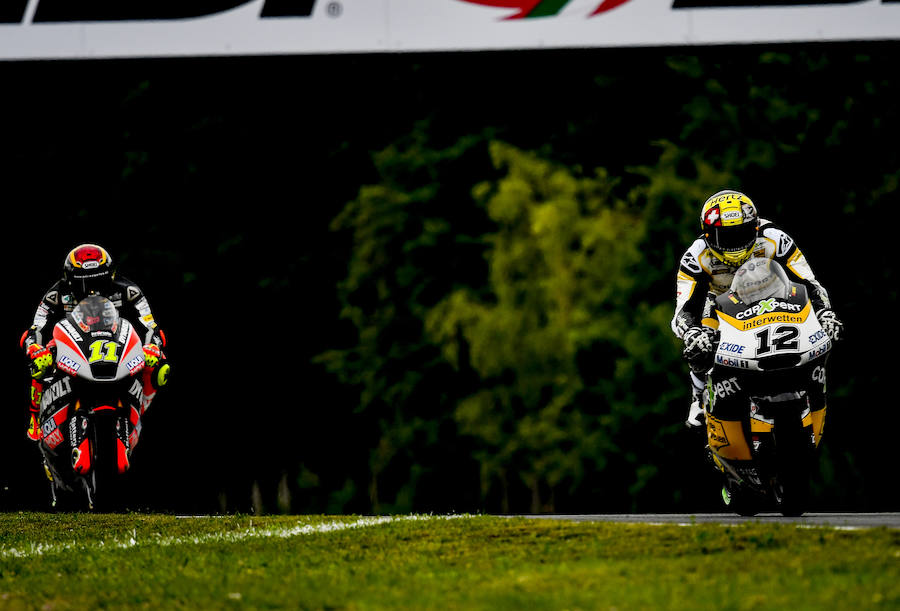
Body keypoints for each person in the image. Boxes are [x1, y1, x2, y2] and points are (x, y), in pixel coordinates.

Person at [671, 190, 843, 428]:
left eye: (741, 234)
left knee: (828, 332)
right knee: (698, 347)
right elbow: (684, 308)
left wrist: (825, 313)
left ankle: (815, 383)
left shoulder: (775, 238)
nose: (735, 245)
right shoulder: (695, 256)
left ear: (754, 227)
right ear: (708, 234)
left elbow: (808, 281)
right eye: (726, 237)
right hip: (721, 308)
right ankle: (699, 396)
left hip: (777, 299)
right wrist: (692, 332)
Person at [20, 243, 169, 441]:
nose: (93, 292)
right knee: (40, 361)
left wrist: (152, 346)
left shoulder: (129, 290)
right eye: (85, 284)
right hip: (71, 342)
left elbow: (150, 325)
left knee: (161, 362)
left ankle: (140, 406)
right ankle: (34, 416)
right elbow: (36, 328)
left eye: (100, 282)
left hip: (117, 340)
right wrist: (34, 348)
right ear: (69, 279)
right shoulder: (56, 294)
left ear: (111, 276)